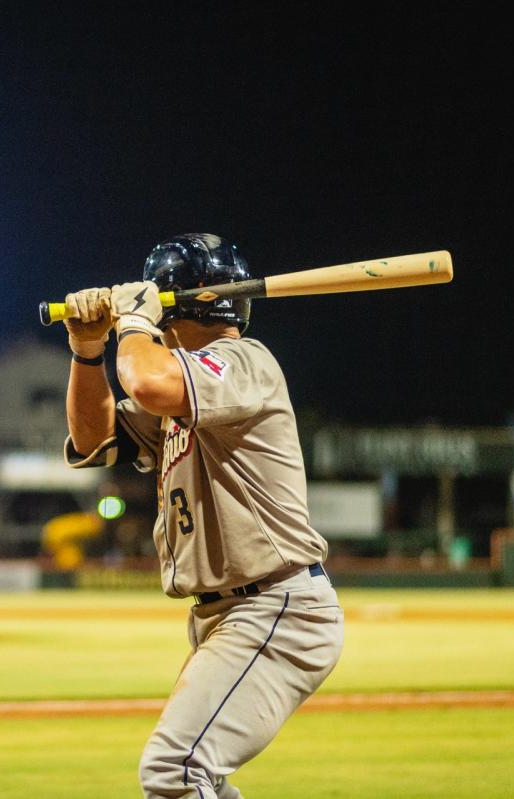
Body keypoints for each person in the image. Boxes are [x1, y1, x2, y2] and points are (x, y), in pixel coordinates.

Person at [62, 234, 344, 799]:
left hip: (275, 608)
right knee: (199, 775)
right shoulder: (185, 382)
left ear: (172, 305)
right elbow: (92, 438)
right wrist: (87, 350)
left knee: (173, 770)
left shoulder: (244, 362)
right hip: (230, 614)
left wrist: (135, 323)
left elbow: (147, 380)